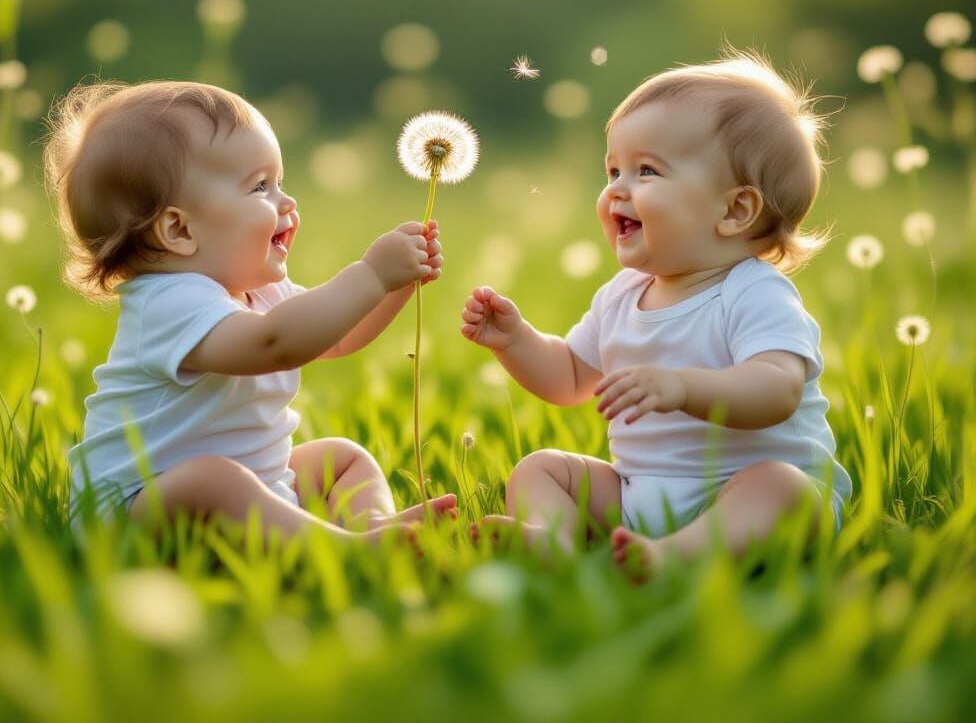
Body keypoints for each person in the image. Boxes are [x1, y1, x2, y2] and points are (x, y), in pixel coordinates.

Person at [460, 49, 851, 580]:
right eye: (613, 169)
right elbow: (571, 377)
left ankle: (677, 557)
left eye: (647, 171)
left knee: (785, 489)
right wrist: (515, 341)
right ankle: (556, 543)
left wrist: (683, 388)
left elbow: (777, 390)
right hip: (639, 496)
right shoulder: (622, 295)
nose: (617, 189)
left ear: (735, 211)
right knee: (544, 469)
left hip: (742, 492)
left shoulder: (753, 293)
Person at [46, 80, 456, 543]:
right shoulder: (168, 303)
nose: (287, 201)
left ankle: (372, 527)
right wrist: (371, 275)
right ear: (179, 229)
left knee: (341, 459)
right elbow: (276, 344)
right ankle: (347, 550)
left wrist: (394, 287)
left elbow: (337, 337)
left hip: (253, 487)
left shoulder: (257, 294)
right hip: (138, 510)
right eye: (260, 186)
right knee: (211, 480)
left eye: (280, 181)